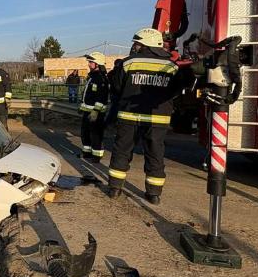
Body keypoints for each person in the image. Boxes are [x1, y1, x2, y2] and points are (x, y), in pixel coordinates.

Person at [106, 28, 193, 205]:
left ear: (146, 44)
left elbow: (116, 87)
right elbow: (177, 91)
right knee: (155, 154)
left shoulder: (129, 63)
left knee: (122, 151)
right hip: (157, 119)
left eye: (138, 44)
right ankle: (154, 194)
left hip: (129, 117)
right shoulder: (171, 66)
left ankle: (115, 188)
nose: (135, 47)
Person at [79, 52, 109, 163]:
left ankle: (96, 156)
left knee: (96, 135)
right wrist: (82, 107)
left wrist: (96, 111)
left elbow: (102, 96)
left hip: (96, 113)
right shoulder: (92, 77)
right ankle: (87, 153)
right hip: (88, 112)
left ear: (97, 64)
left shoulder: (101, 78)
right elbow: (88, 94)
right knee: (85, 133)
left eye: (91, 62)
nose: (89, 64)